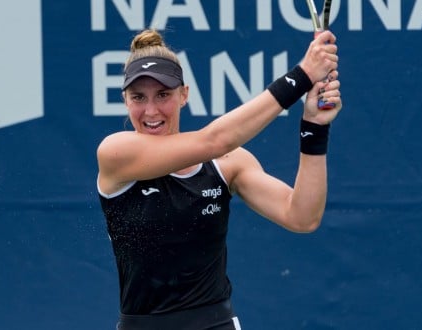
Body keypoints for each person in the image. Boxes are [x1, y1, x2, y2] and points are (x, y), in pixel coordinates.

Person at [96, 28, 342, 330]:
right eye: (138, 97)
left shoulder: (228, 163)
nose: (151, 110)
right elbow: (215, 140)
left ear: (184, 94)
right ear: (125, 100)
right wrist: (302, 76)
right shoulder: (115, 153)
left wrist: (314, 127)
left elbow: (302, 216)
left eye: (163, 95)